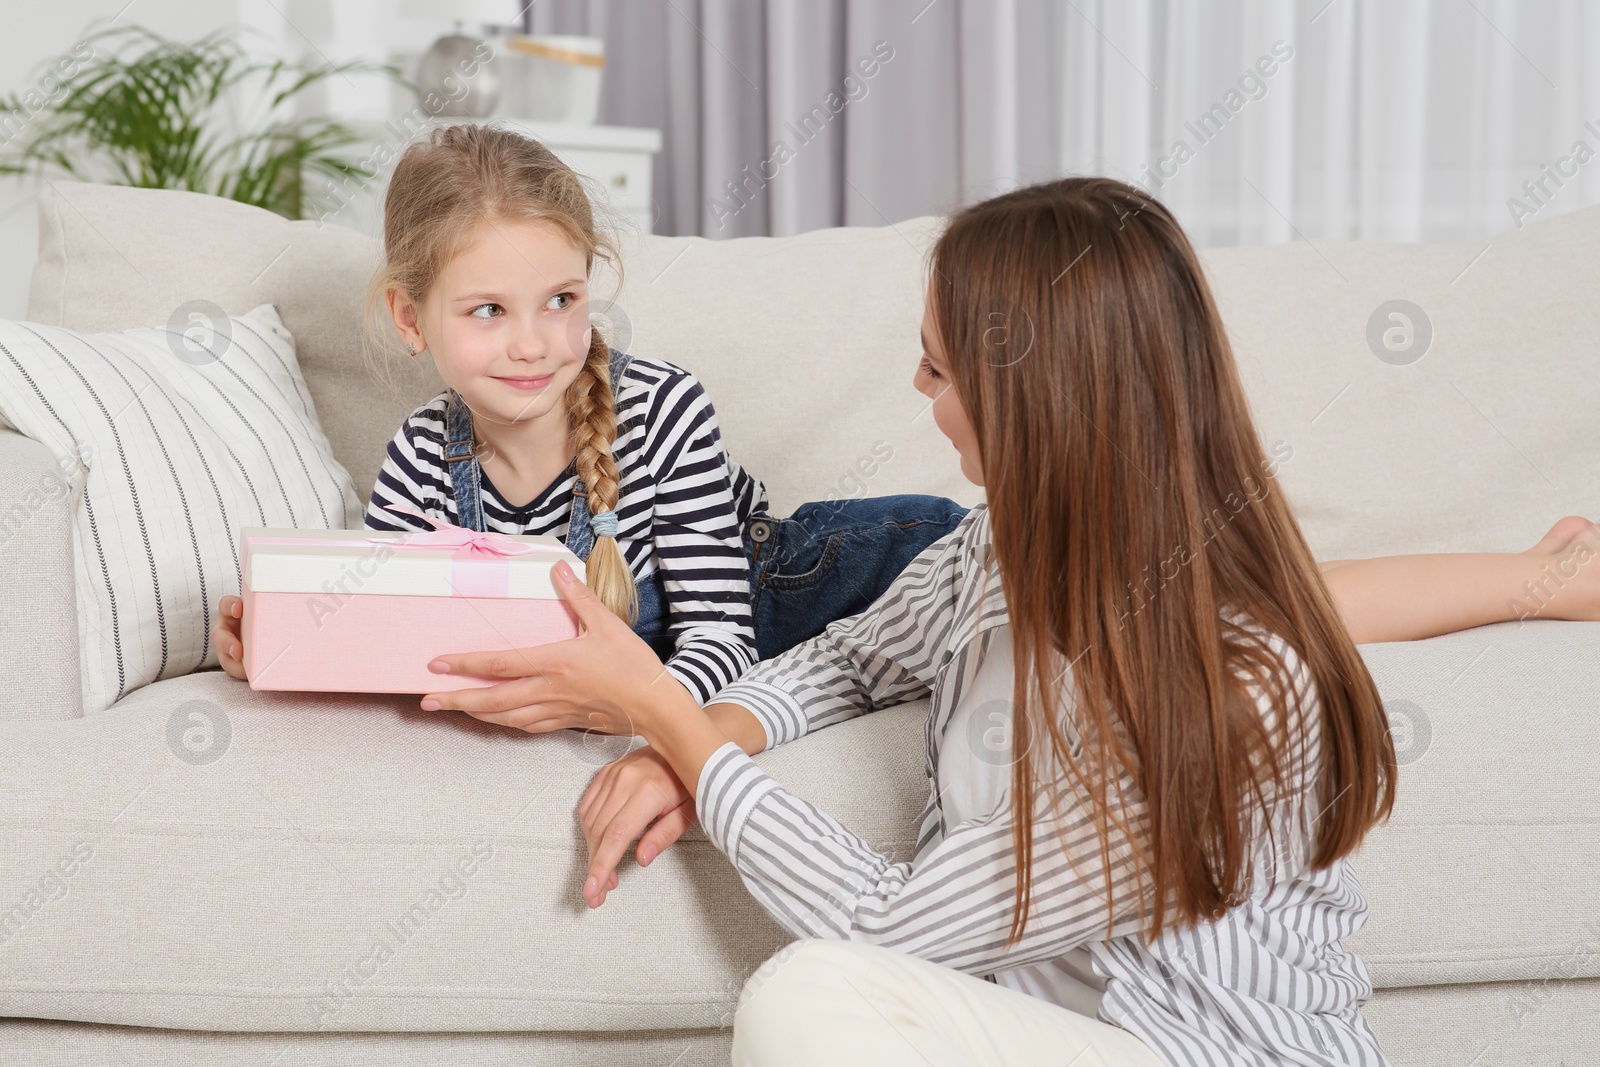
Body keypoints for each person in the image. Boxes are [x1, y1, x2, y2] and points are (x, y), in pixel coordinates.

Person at [415, 177, 1599, 1065]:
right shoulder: (998, 547)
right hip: (1050, 1028)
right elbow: (846, 656)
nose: (920, 397)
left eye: (936, 371)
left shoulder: (1239, 697)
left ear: (1030, 396)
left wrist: (664, 719)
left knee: (808, 997)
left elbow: (889, 923)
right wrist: (717, 723)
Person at [209, 122, 967, 723]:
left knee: (971, 552)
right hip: (645, 655)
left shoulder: (664, 412)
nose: (534, 342)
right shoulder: (419, 459)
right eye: (488, 311)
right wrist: (280, 648)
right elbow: (392, 637)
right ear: (412, 318)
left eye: (561, 301)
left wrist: (610, 711)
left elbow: (722, 638)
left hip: (779, 583)